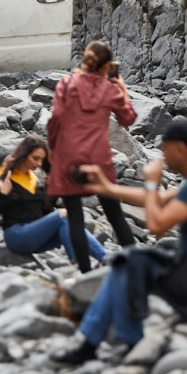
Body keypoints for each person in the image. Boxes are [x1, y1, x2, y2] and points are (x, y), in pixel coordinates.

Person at [51, 118, 187, 364]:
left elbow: (156, 225)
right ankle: (94, 341)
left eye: (165, 150)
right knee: (124, 263)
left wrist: (152, 180)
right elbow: (158, 200)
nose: (162, 157)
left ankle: (121, 340)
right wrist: (105, 187)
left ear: (180, 148)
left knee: (133, 262)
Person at [46, 40, 138, 272]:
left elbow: (55, 120)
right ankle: (137, 266)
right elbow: (128, 119)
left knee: (75, 217)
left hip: (68, 158)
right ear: (107, 67)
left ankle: (85, 272)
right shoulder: (110, 89)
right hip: (98, 160)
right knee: (115, 215)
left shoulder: (66, 84)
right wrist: (122, 89)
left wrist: (54, 151)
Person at [0, 135, 108, 265]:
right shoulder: (5, 177)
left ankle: (106, 258)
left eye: (41, 160)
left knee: (71, 225)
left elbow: (44, 213)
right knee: (63, 214)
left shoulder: (33, 178)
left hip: (35, 237)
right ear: (23, 154)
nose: (39, 164)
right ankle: (79, 262)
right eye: (35, 158)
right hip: (16, 236)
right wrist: (3, 194)